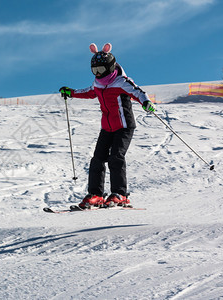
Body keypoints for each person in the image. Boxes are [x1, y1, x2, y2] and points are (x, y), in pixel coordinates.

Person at [59, 42, 155, 209]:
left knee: (116, 157)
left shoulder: (121, 81)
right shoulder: (98, 83)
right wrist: (71, 92)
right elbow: (89, 92)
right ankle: (96, 194)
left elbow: (138, 92)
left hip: (124, 126)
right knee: (97, 159)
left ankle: (120, 194)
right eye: (95, 71)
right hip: (107, 128)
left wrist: (146, 102)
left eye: (101, 70)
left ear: (110, 67)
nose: (98, 74)